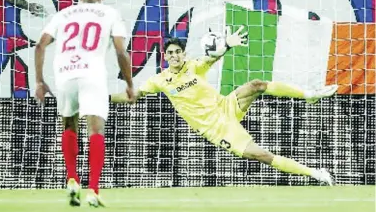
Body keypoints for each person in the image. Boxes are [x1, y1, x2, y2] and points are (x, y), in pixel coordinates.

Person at [111, 31, 337, 185]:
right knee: (262, 155)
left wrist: (227, 43)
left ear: (183, 54)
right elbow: (132, 96)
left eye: (177, 52)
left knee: (257, 84)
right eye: (169, 53)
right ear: (165, 56)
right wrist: (106, 98)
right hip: (216, 127)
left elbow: (212, 57)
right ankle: (316, 174)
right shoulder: (159, 80)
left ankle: (309, 95)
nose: (174, 55)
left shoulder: (193, 66)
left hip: (226, 106)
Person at [35, 0, 135, 207]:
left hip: (64, 72)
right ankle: (93, 190)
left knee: (69, 124)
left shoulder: (63, 14)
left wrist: (39, 81)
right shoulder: (110, 14)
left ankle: (72, 179)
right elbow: (121, 51)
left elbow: (40, 45)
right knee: (95, 129)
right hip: (92, 72)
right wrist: (129, 84)